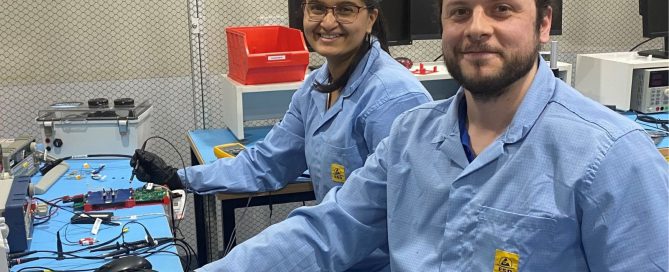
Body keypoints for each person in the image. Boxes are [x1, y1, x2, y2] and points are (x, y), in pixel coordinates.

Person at [196, 0, 669, 271]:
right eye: (460, 11)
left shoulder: (611, 158)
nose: (477, 28)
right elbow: (327, 230)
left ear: (544, 23)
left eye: (502, 8)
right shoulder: (411, 138)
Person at [130, 0, 432, 270]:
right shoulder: (316, 86)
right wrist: (179, 178)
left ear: (371, 17)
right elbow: (267, 162)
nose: (327, 22)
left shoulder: (393, 98)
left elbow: (352, 224)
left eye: (345, 9)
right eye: (317, 7)